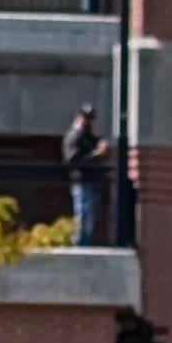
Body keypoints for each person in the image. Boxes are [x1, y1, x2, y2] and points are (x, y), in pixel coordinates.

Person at [62, 104, 111, 246]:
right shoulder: (74, 136)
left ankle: (85, 241)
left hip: (92, 181)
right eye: (86, 118)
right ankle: (79, 242)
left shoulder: (89, 136)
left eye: (90, 119)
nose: (88, 122)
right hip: (81, 181)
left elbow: (99, 146)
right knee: (83, 213)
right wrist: (96, 154)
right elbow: (72, 160)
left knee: (90, 215)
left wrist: (102, 148)